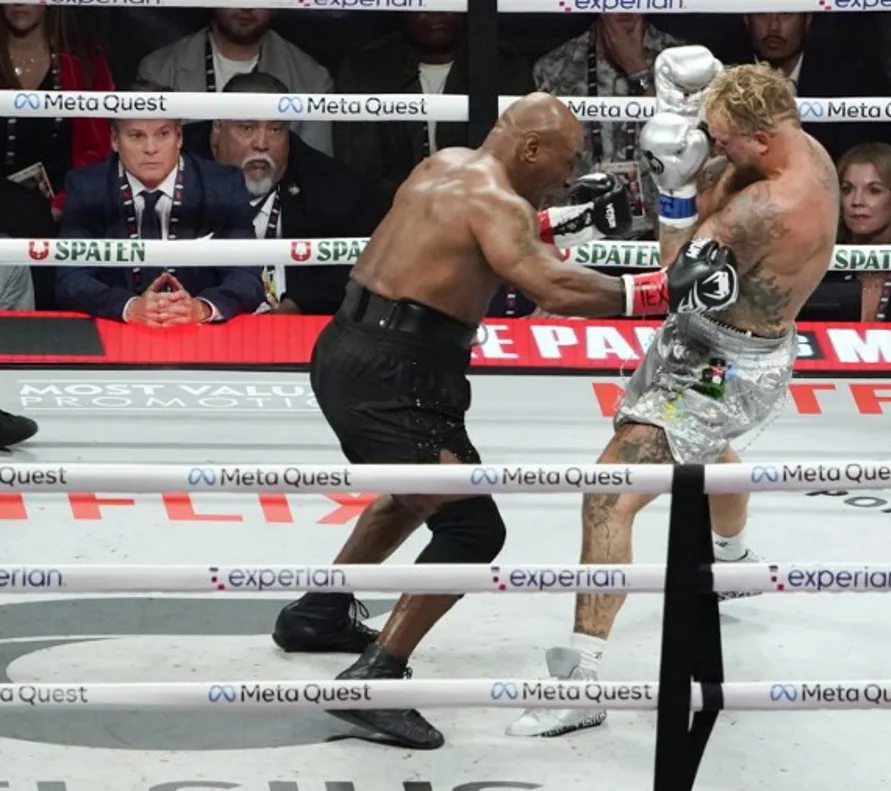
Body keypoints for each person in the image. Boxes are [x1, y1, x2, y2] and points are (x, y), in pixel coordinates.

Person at [269, 91, 745, 750]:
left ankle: (319, 611)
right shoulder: (496, 203)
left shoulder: (445, 166)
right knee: (471, 526)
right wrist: (662, 289)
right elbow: (556, 289)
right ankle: (377, 676)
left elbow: (480, 239)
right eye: (564, 158)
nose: (564, 172)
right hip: (393, 374)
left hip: (364, 349)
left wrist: (572, 218)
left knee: (415, 496)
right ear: (529, 147)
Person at [507, 51, 840, 738]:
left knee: (610, 489)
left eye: (723, 138)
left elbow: (667, 277)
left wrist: (676, 191)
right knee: (699, 448)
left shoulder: (762, 208)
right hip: (738, 346)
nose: (715, 146)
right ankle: (735, 559)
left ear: (759, 138)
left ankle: (580, 683)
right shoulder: (806, 149)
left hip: (718, 365)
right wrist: (692, 118)